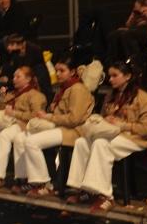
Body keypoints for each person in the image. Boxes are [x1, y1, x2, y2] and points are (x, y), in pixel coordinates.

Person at [66, 61, 147, 212]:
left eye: (115, 76)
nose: (111, 79)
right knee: (82, 141)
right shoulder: (111, 95)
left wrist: (123, 125)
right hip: (112, 134)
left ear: (127, 76)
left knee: (100, 144)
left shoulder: (143, 97)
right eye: (110, 76)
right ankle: (84, 189)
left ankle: (106, 196)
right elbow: (104, 117)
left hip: (133, 138)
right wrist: (104, 120)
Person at [18, 55, 94, 196]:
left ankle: (42, 183)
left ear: (72, 72)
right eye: (57, 70)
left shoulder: (77, 89)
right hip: (61, 127)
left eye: (62, 70)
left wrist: (49, 117)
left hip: (73, 131)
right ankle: (32, 179)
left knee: (31, 142)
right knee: (23, 137)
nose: (58, 74)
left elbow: (74, 119)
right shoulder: (64, 88)